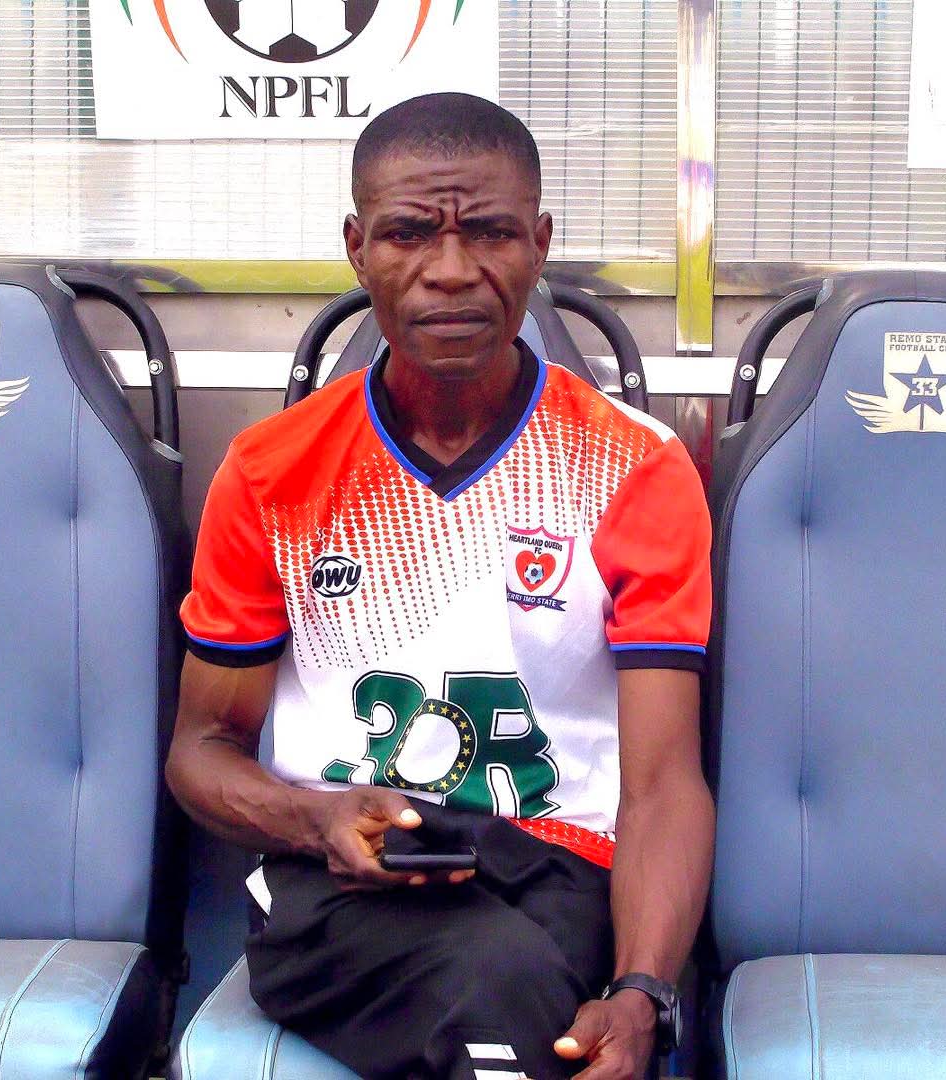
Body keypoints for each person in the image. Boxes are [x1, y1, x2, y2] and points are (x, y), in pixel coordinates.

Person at [167, 92, 715, 1080]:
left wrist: (643, 993)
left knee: (538, 993)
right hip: (339, 883)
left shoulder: (634, 467)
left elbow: (665, 783)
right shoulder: (270, 472)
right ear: (357, 247)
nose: (452, 271)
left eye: (492, 233)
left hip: (561, 873)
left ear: (540, 243)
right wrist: (315, 818)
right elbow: (200, 754)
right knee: (501, 991)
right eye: (410, 234)